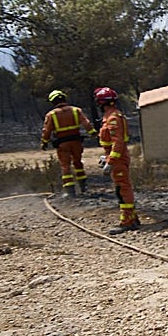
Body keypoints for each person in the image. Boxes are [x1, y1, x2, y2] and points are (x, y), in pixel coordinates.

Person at [94, 86, 140, 234]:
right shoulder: (110, 116)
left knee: (122, 189)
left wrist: (111, 162)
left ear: (101, 103)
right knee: (122, 188)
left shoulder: (113, 118)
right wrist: (106, 157)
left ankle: (127, 222)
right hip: (116, 156)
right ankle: (132, 218)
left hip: (118, 159)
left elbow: (118, 142)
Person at [40, 90, 97, 198]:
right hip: (76, 142)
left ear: (53, 102)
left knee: (65, 166)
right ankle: (83, 187)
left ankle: (70, 191)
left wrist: (44, 142)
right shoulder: (76, 110)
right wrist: (93, 133)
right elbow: (86, 123)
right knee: (78, 163)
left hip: (62, 144)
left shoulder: (51, 115)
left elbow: (47, 131)